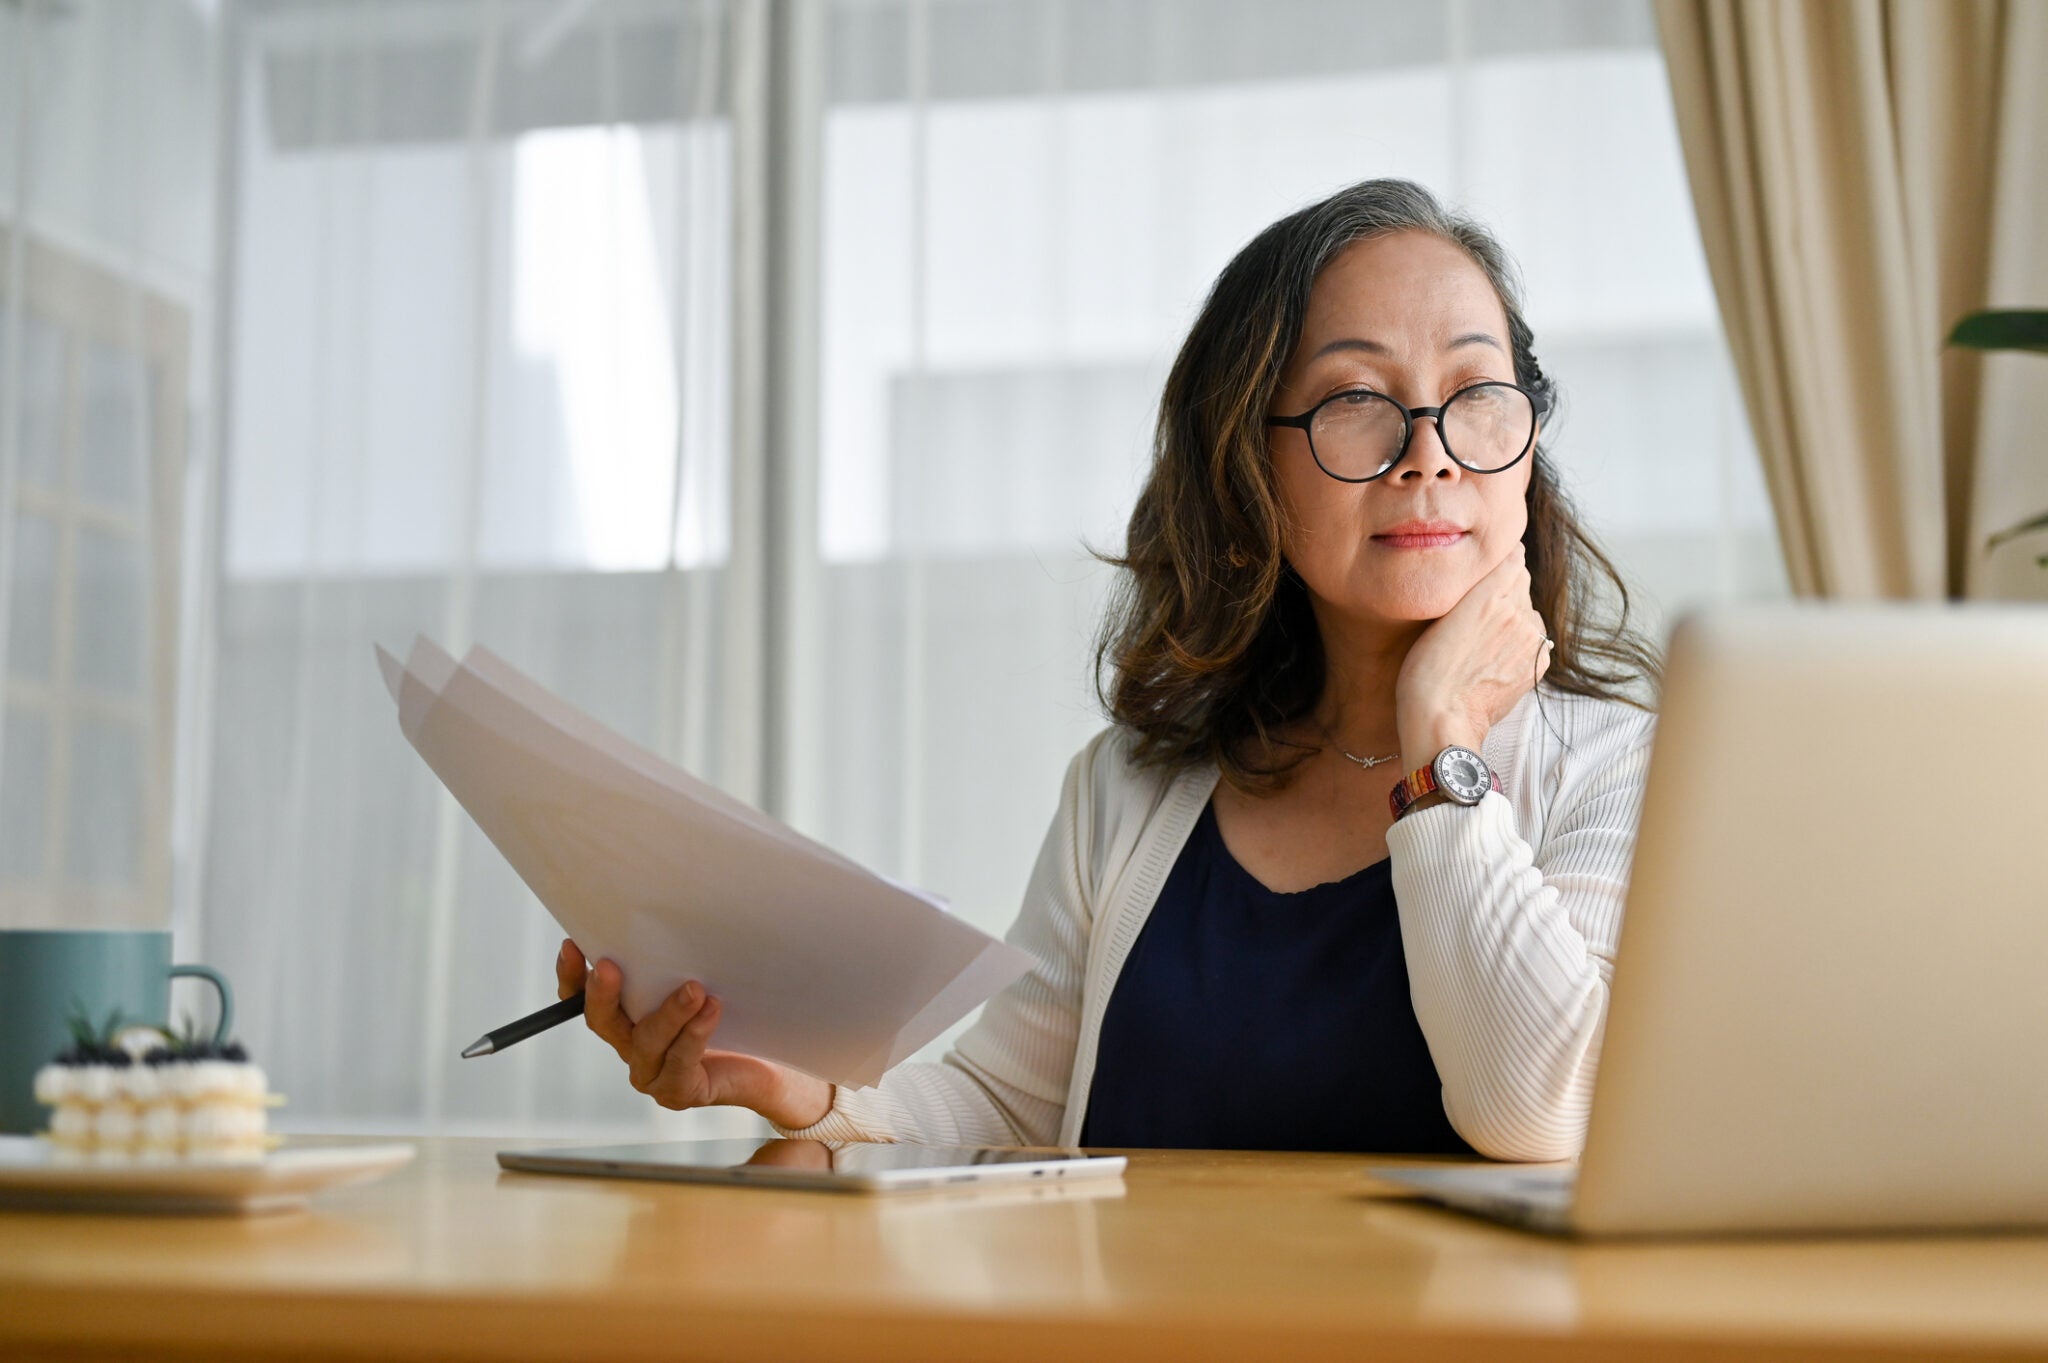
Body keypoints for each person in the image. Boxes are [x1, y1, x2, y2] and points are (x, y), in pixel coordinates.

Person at [554, 178, 1660, 1162]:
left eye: (1475, 393)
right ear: (1248, 468)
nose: (1427, 449)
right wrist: (807, 1094)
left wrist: (1441, 746)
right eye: (1355, 402)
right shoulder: (1127, 788)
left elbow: (1535, 1112)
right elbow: (1004, 1102)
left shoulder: (1618, 768)